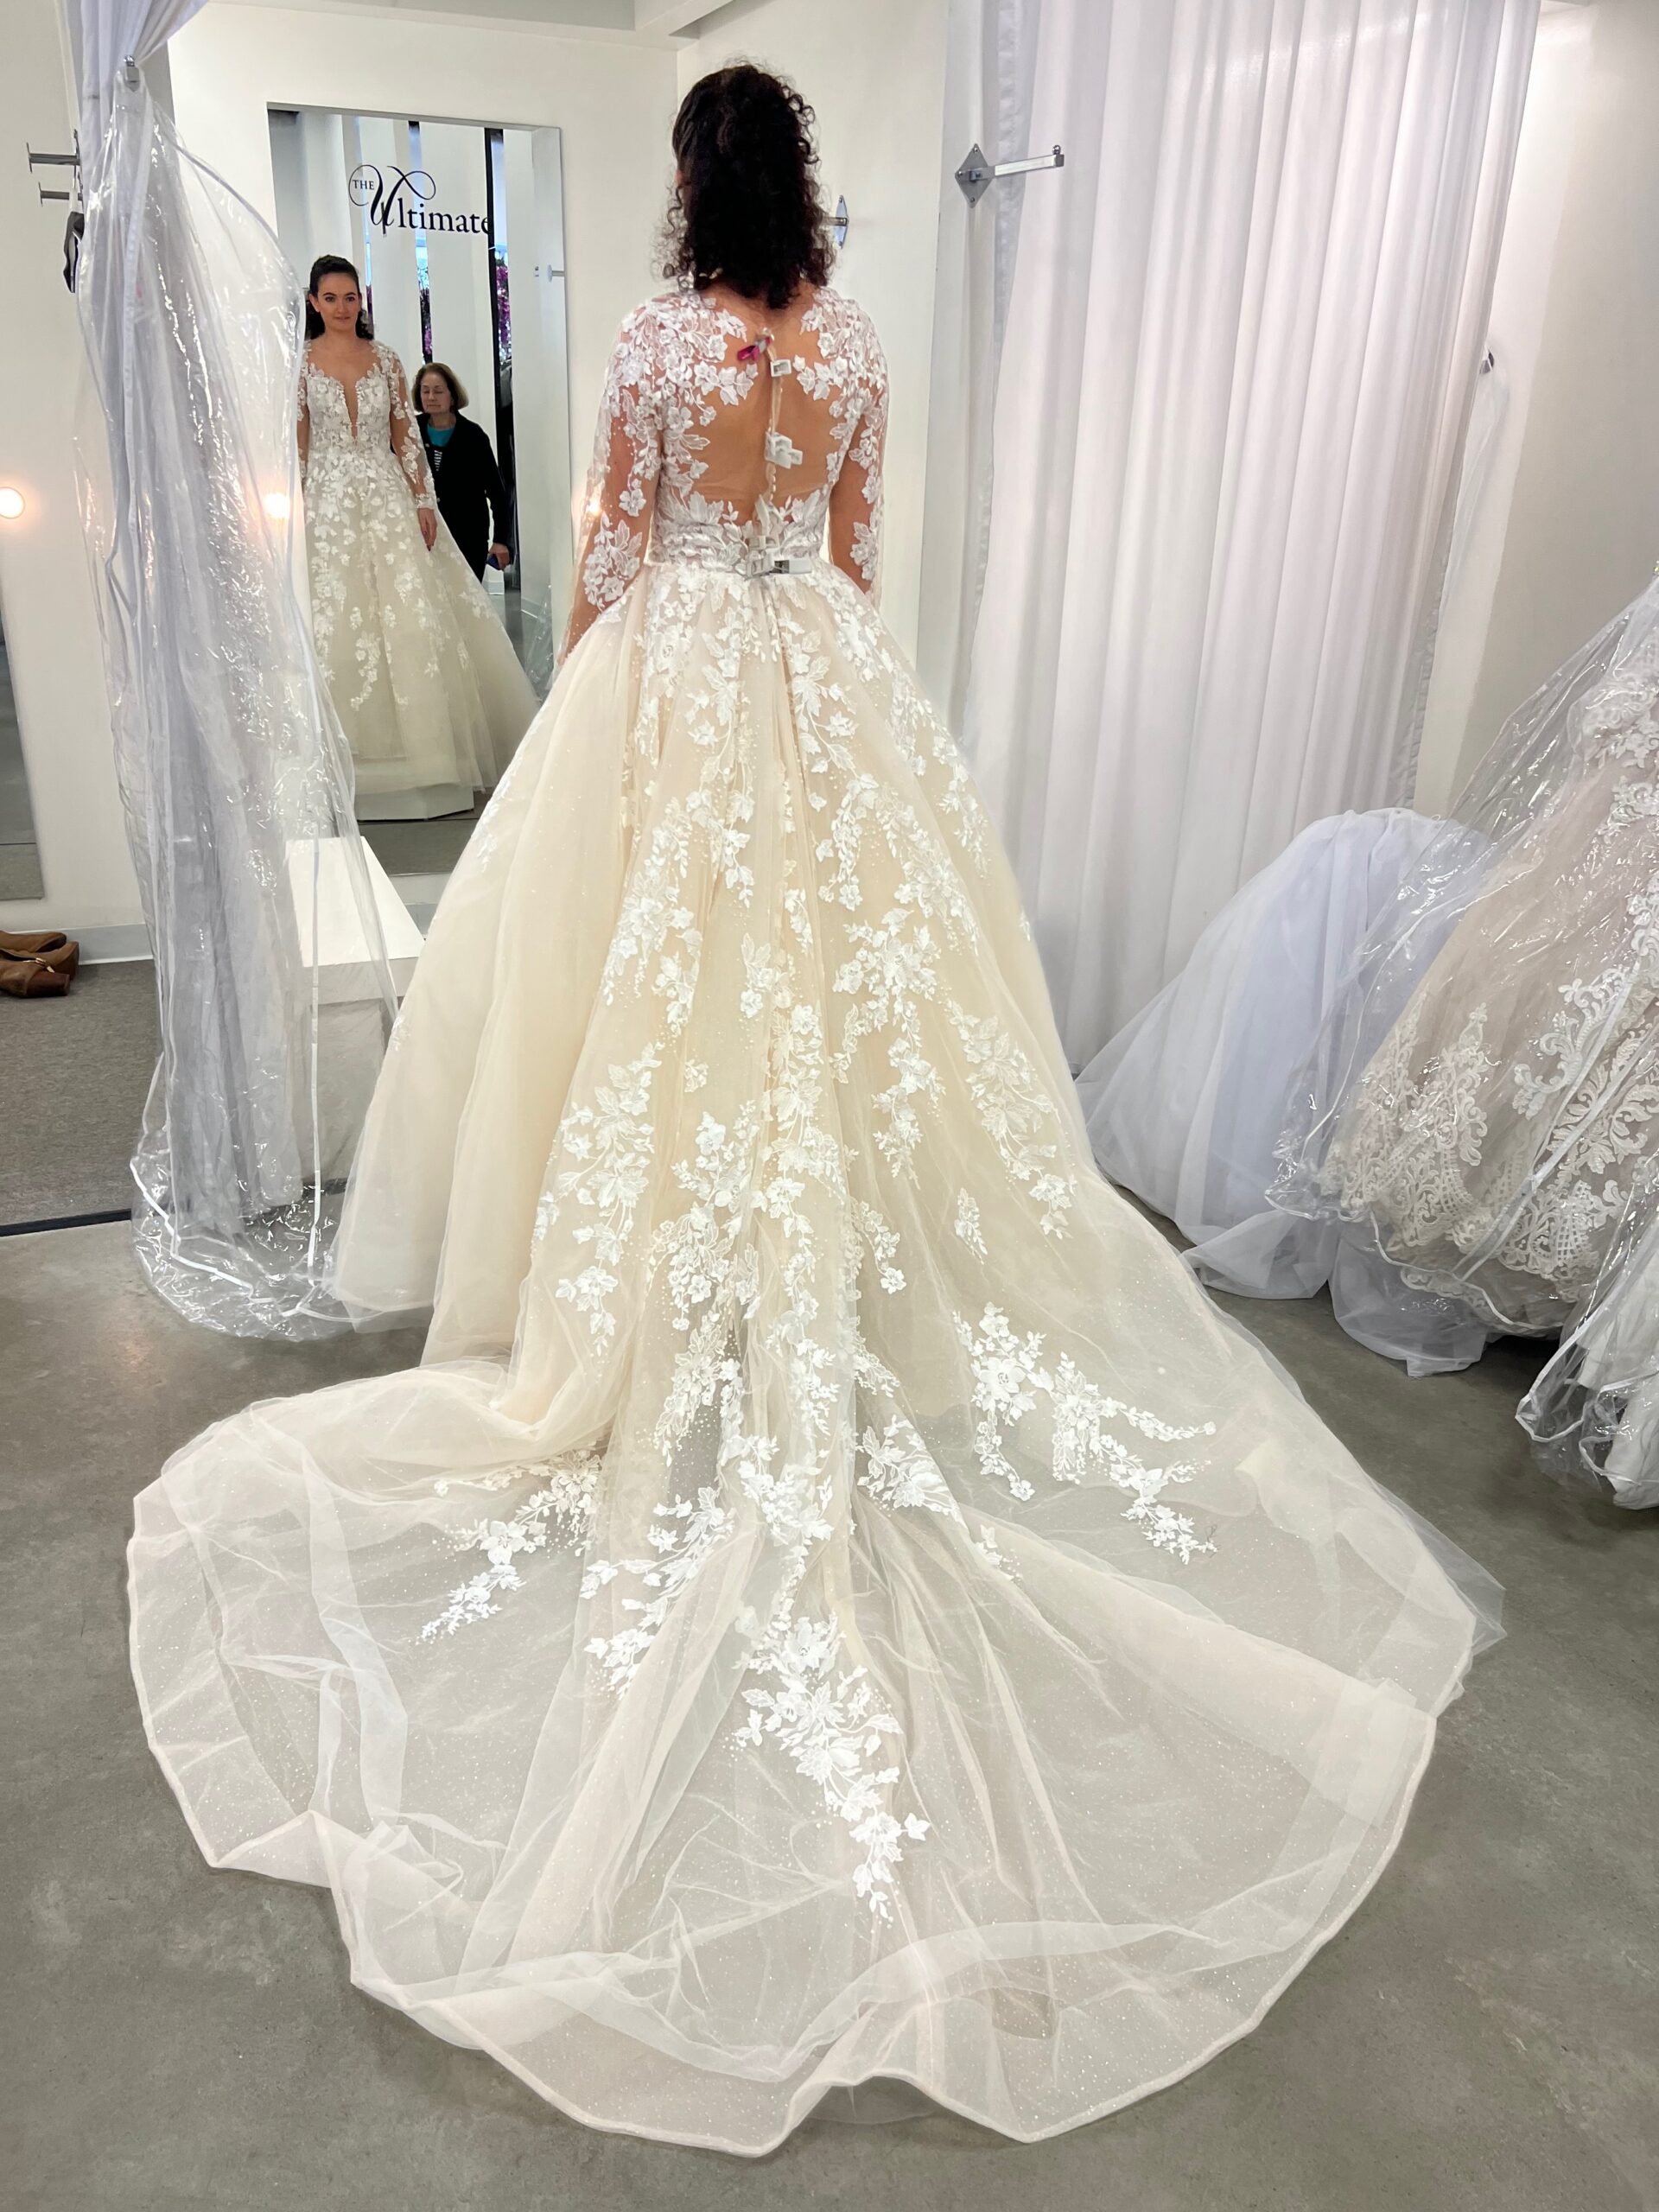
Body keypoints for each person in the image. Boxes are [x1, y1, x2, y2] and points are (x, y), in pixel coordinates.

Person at [129, 70, 1496, 2153]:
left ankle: (658, 1303)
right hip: (829, 684)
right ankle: (843, 1286)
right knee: (857, 1021)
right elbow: (848, 548)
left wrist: (587, 728)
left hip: (680, 672)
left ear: (692, 185)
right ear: (812, 188)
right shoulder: (849, 345)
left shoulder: (661, 339)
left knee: (650, 1019)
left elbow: (606, 545)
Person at [298, 257, 535, 816]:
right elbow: (299, 438)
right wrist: (298, 505)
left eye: (350, 297)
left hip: (385, 493)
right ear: (314, 303)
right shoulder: (300, 363)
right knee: (339, 612)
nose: (341, 307)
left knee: (407, 608)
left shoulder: (385, 359)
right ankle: (346, 761)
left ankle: (428, 757)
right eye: (330, 298)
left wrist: (422, 497)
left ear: (362, 301)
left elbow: (404, 433)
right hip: (327, 503)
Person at [416, 360, 514, 581]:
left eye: (438, 391)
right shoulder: (412, 432)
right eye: (426, 391)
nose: (431, 397)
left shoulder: (473, 436)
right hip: (423, 533)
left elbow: (497, 492)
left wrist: (501, 539)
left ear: (452, 396)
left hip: (468, 534)